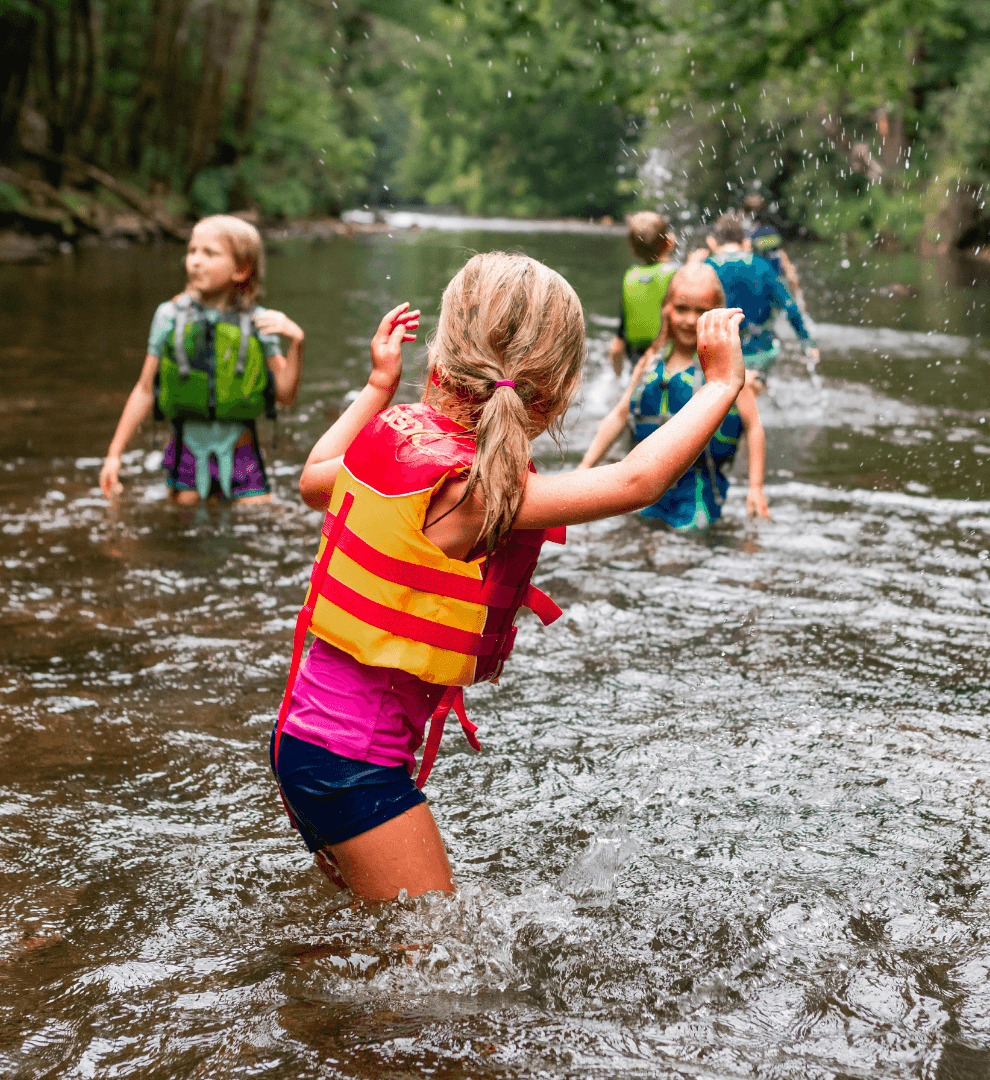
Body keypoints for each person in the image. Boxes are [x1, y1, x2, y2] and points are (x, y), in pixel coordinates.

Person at [270, 252, 746, 902]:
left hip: (304, 740)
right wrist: (719, 387)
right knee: (429, 965)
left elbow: (310, 478)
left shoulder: (393, 444)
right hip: (352, 766)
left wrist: (379, 386)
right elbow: (639, 480)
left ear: (444, 355)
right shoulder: (474, 494)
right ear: (553, 393)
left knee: (362, 931)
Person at [99, 215, 304, 504]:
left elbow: (285, 395)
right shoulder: (169, 316)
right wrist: (114, 456)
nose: (195, 261)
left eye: (209, 253)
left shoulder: (260, 322)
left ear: (242, 269)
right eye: (192, 251)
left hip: (242, 453)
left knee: (259, 515)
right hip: (187, 452)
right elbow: (145, 390)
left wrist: (296, 343)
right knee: (185, 522)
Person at [579, 262, 769, 529]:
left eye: (701, 311)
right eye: (681, 309)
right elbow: (620, 415)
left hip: (697, 499)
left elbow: (753, 426)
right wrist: (585, 467)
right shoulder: (649, 363)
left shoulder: (726, 372)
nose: (690, 320)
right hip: (644, 499)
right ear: (666, 309)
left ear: (716, 313)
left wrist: (756, 487)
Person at [694, 211, 817, 392]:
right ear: (745, 239)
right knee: (756, 392)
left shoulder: (706, 267)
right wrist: (807, 343)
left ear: (716, 240)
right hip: (762, 352)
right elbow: (789, 307)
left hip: (721, 353)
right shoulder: (762, 265)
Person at [609, 211, 678, 377]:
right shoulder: (678, 274)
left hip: (637, 361)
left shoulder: (630, 277)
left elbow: (616, 348)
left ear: (633, 249)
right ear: (669, 243)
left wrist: (617, 378)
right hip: (670, 358)